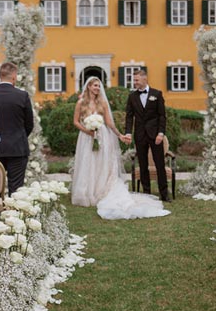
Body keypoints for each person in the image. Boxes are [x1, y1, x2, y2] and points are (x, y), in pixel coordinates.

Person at [72, 77, 170, 220]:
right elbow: (75, 121)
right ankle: (87, 192)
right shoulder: (80, 103)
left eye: (99, 86)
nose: (97, 88)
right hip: (86, 138)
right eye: (94, 86)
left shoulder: (103, 103)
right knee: (88, 163)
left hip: (102, 136)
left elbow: (109, 123)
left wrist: (120, 135)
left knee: (101, 164)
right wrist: (88, 131)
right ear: (88, 87)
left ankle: (101, 191)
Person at [0, 62, 34, 195]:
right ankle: (14, 214)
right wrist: (20, 135)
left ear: (0, 76)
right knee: (16, 188)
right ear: (14, 77)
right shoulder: (22, 96)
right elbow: (29, 124)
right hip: (17, 147)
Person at [123, 69, 171, 202]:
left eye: (137, 80)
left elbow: (162, 116)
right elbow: (129, 116)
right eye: (134, 80)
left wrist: (161, 133)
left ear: (145, 79)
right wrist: (128, 132)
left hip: (156, 135)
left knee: (160, 164)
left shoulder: (157, 94)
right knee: (143, 165)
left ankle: (164, 193)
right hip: (140, 135)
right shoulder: (132, 96)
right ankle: (147, 194)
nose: (135, 82)